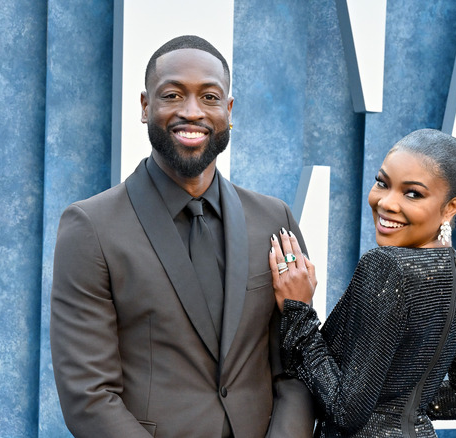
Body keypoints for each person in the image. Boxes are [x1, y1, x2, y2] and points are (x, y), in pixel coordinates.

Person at [50, 35, 315, 438]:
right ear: (145, 106)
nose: (192, 112)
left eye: (209, 98)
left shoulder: (273, 219)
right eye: (173, 95)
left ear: (228, 110)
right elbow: (89, 396)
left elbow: (296, 368)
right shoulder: (91, 228)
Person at [268, 128, 456, 437]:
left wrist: (299, 310)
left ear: (452, 206)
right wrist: (399, 404)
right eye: (382, 183)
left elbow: (345, 411)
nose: (386, 203)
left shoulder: (386, 266)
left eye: (412, 193)